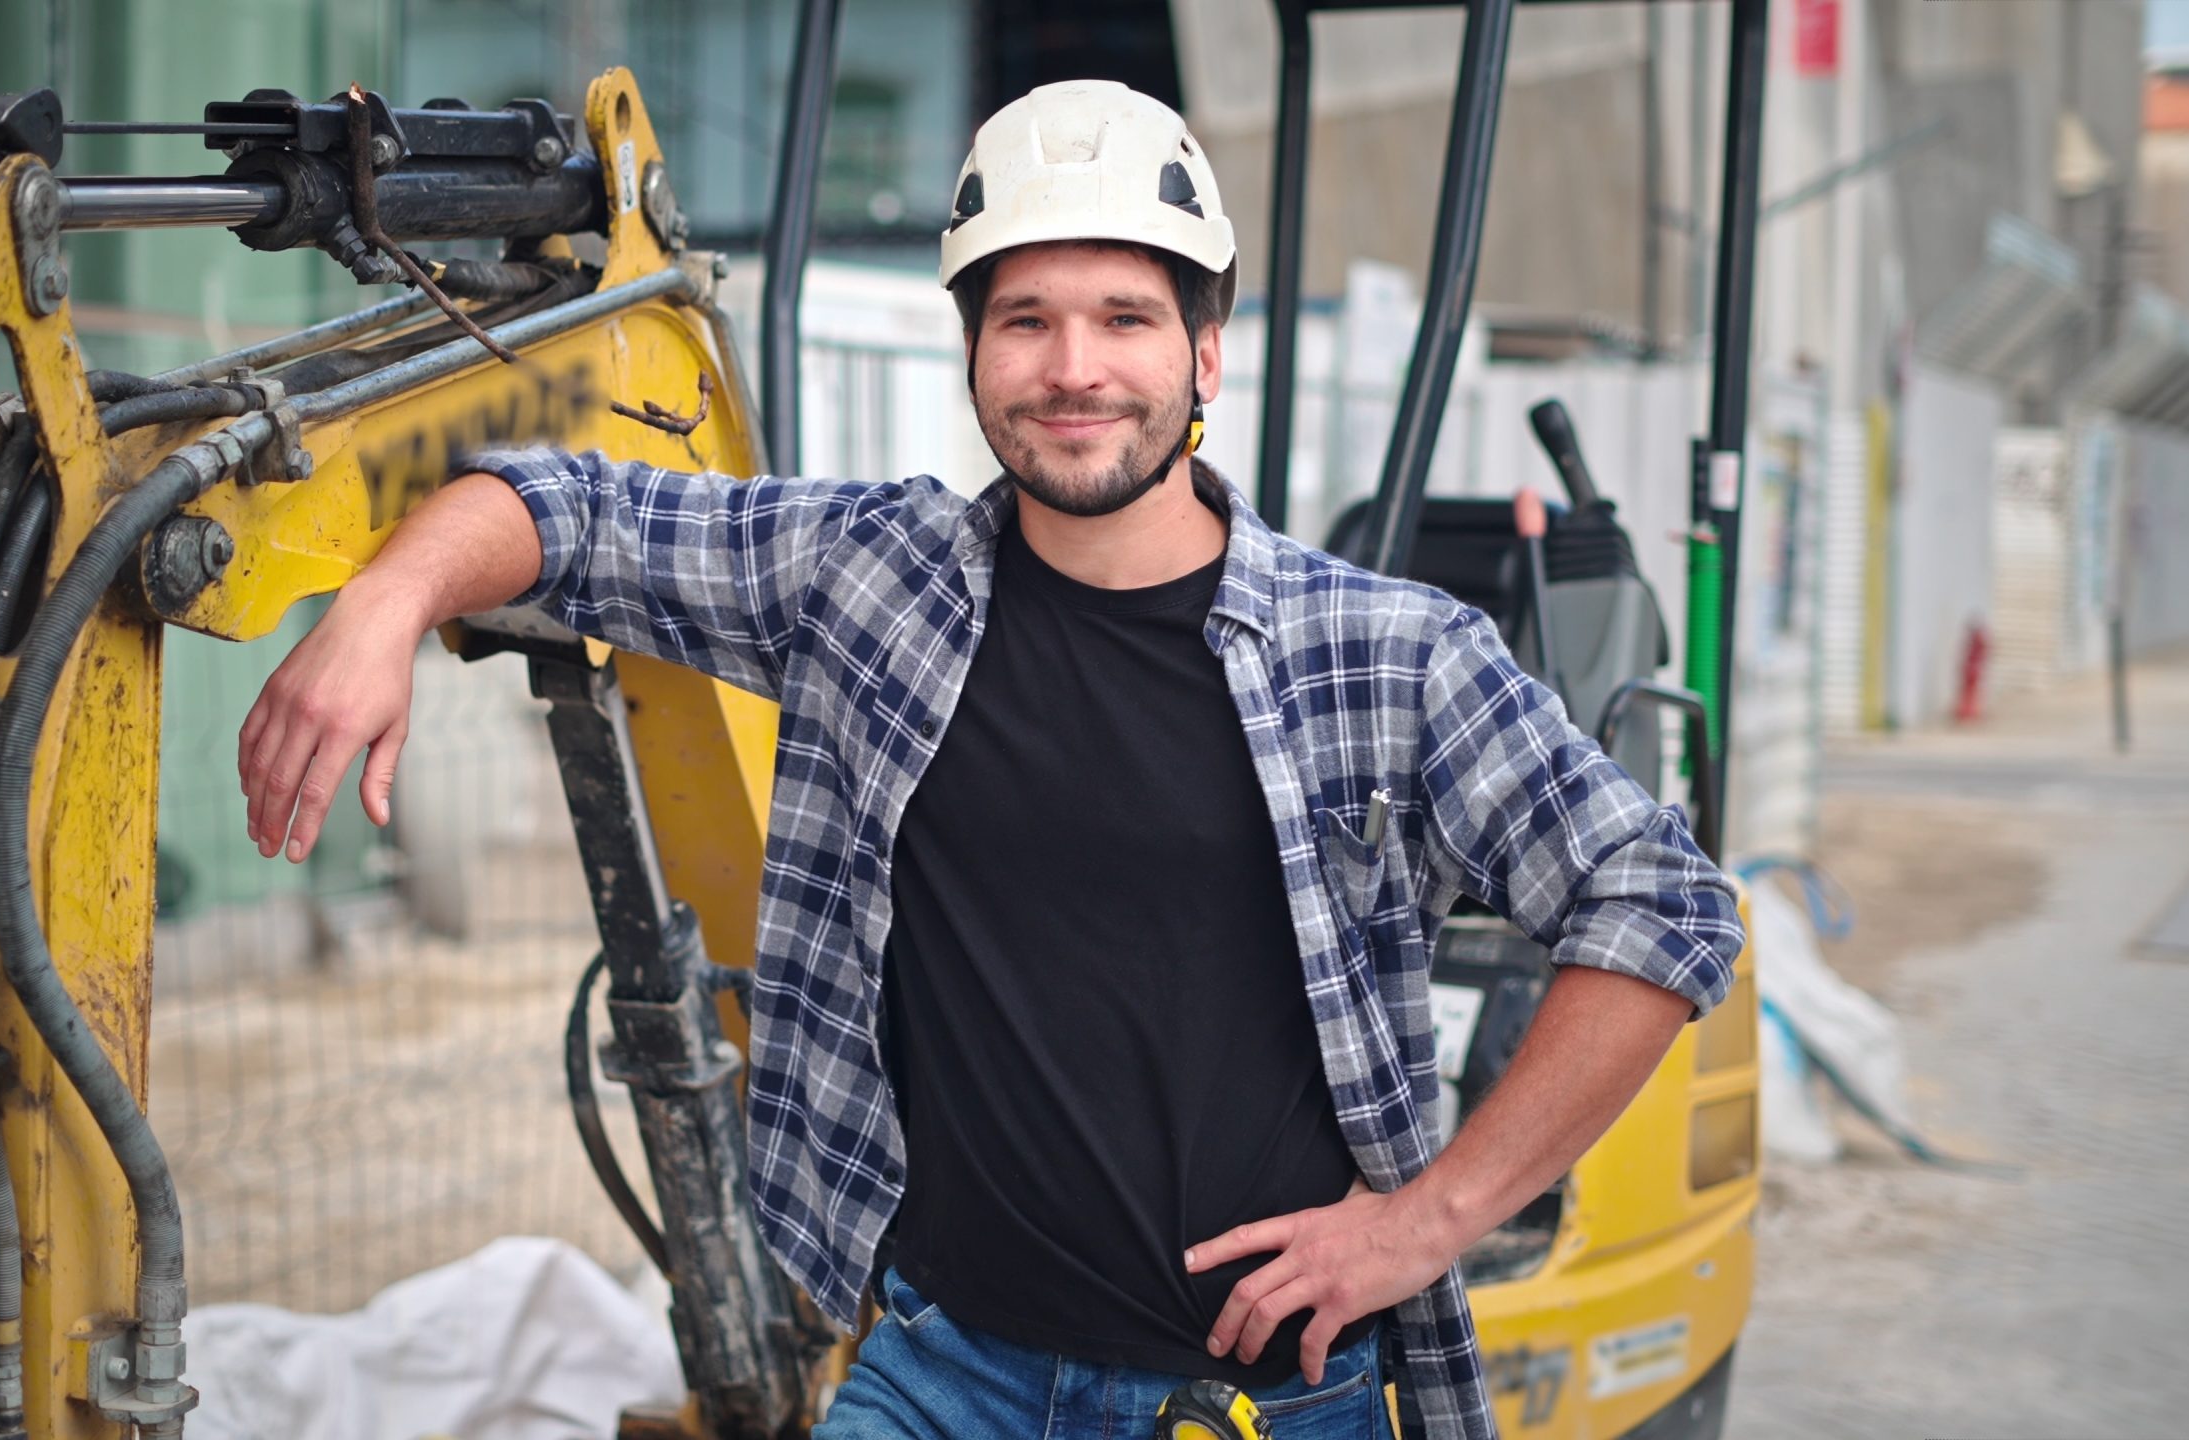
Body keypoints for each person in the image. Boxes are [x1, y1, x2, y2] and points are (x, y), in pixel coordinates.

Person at [238, 80, 1741, 1440]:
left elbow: (1663, 905)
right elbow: (568, 508)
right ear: (974, 354)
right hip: (944, 1377)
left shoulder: (1386, 654)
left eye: (1124, 317)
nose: (1073, 368)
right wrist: (383, 602)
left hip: (1258, 1405)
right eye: (1025, 320)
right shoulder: (866, 580)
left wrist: (1431, 1221)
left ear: (1204, 351)